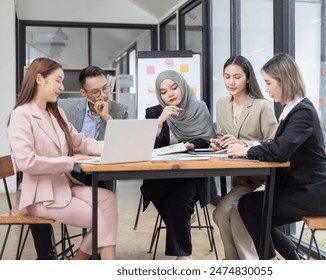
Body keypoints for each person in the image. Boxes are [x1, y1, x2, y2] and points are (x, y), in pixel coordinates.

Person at [226, 53, 326, 260]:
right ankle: (292, 259)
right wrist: (249, 145)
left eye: (269, 83)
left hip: (314, 193)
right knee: (254, 212)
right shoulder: (294, 109)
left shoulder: (303, 112)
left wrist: (247, 151)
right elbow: (278, 145)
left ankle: (278, 261)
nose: (266, 89)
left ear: (284, 81)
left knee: (249, 207)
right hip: (306, 189)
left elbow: (280, 151)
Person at [7, 57, 118, 260]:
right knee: (102, 218)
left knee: (108, 200)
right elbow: (26, 162)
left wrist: (115, 148)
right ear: (39, 79)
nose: (62, 87)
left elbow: (81, 142)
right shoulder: (21, 115)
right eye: (58, 80)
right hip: (42, 196)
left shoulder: (55, 112)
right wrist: (71, 161)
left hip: (64, 187)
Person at [140, 70, 216, 260]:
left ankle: (183, 257)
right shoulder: (154, 112)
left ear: (182, 86)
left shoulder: (200, 108)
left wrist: (192, 145)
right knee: (151, 188)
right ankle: (182, 219)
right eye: (164, 92)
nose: (170, 94)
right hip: (162, 173)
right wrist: (160, 122)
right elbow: (147, 147)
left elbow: (208, 140)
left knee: (179, 201)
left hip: (193, 173)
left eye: (174, 88)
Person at [210, 55, 278, 260]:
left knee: (238, 213)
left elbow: (274, 143)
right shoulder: (222, 104)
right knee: (220, 212)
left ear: (248, 78)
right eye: (226, 76)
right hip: (241, 181)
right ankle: (232, 262)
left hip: (263, 181)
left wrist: (245, 145)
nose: (231, 82)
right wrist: (219, 143)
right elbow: (223, 136)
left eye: (237, 77)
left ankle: (249, 263)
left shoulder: (262, 106)